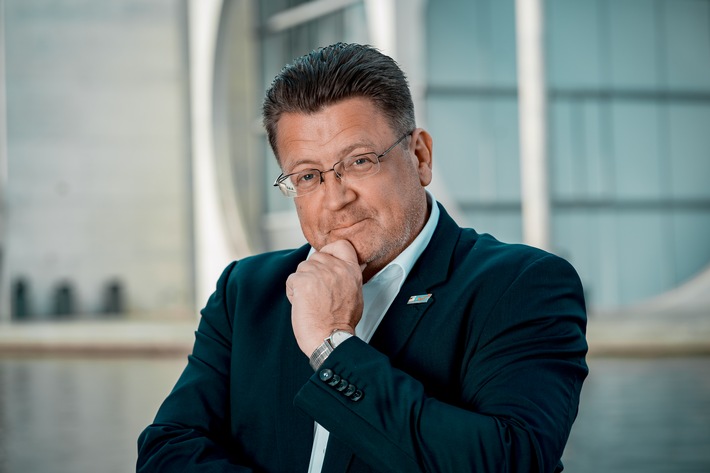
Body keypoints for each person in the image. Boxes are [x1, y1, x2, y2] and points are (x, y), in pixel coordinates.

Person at [137, 42, 588, 473]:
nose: (336, 199)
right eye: (308, 176)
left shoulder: (523, 285)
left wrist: (331, 344)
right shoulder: (246, 291)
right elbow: (167, 450)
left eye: (359, 162)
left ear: (420, 156)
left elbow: (508, 462)